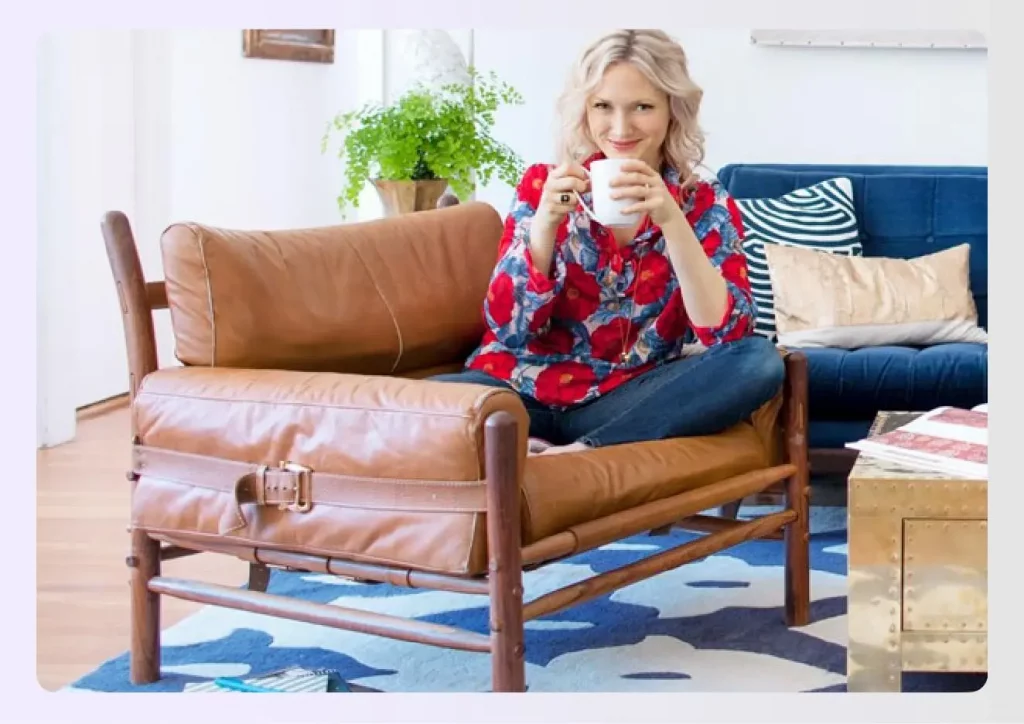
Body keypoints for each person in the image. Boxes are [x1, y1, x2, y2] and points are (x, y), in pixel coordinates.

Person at [432, 29, 784, 455]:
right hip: (518, 389)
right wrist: (544, 225)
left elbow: (728, 336)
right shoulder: (542, 186)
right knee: (405, 404)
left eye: (642, 107)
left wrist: (672, 220)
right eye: (603, 106)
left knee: (758, 362)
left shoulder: (704, 203)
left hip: (624, 399)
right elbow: (508, 330)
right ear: (584, 110)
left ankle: (584, 451)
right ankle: (535, 442)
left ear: (673, 110)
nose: (620, 128)